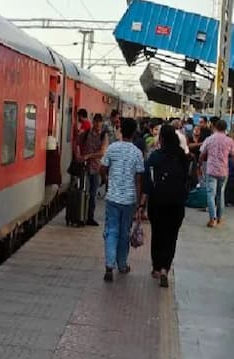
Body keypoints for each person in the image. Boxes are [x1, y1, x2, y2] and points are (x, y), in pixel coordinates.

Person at [140, 125, 190, 288]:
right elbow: (188, 180)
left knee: (158, 234)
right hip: (176, 203)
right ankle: (165, 269)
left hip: (157, 202)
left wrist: (142, 203)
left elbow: (147, 180)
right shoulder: (183, 156)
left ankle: (156, 267)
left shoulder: (155, 156)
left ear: (161, 138)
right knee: (171, 236)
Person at [100, 117, 145, 282]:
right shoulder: (137, 153)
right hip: (129, 200)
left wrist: (107, 180)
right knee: (124, 232)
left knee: (111, 230)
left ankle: (109, 265)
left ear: (120, 131)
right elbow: (139, 180)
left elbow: (102, 168)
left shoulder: (112, 148)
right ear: (134, 133)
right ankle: (122, 264)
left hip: (112, 198)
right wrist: (139, 202)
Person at [199, 119, 234, 227]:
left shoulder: (209, 139)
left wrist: (199, 164)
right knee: (220, 195)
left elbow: (202, 153)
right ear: (225, 128)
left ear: (215, 127)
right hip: (223, 171)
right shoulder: (230, 141)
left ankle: (212, 219)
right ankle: (219, 219)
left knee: (210, 194)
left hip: (211, 170)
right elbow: (233, 155)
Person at [77, 113, 107, 226]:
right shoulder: (85, 134)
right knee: (84, 192)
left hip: (96, 168)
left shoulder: (104, 135)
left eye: (100, 121)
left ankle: (90, 217)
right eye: (96, 121)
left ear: (102, 123)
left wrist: (88, 156)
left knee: (93, 194)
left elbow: (102, 153)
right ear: (93, 121)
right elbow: (77, 143)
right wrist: (78, 155)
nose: (98, 123)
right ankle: (81, 216)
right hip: (84, 168)